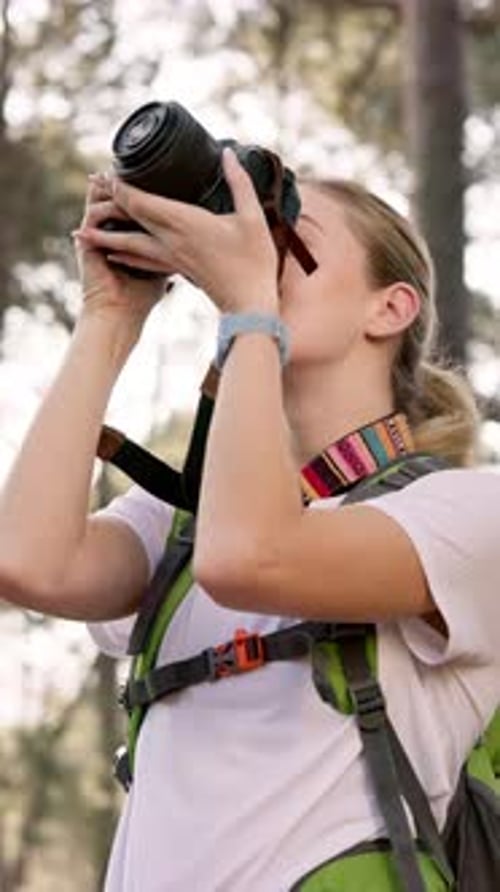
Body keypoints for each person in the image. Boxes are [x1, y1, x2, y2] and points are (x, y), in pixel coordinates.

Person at [0, 146, 499, 892]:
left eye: (289, 236)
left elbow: (250, 558)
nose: (259, 256)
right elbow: (26, 562)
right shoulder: (181, 519)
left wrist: (248, 315)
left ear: (389, 307)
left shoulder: (466, 512)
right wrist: (109, 316)